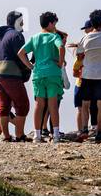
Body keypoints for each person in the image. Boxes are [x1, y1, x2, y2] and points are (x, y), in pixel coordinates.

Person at [21, 11, 67, 143]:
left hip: (38, 73)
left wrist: (30, 66)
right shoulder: (54, 37)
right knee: (52, 104)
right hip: (52, 73)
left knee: (39, 105)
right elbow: (62, 48)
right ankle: (56, 135)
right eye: (55, 23)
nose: (55, 26)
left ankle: (37, 135)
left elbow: (21, 53)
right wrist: (60, 62)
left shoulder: (34, 38)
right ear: (51, 23)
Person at [73, 9, 101, 143]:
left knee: (85, 103)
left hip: (87, 74)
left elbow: (79, 56)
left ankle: (84, 129)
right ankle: (98, 134)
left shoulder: (85, 38)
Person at [0, 10, 30, 142]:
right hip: (11, 73)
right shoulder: (17, 35)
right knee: (22, 104)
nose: (24, 23)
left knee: (4, 104)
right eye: (22, 21)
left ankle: (6, 136)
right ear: (17, 21)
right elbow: (21, 54)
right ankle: (20, 135)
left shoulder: (1, 36)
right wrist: (29, 67)